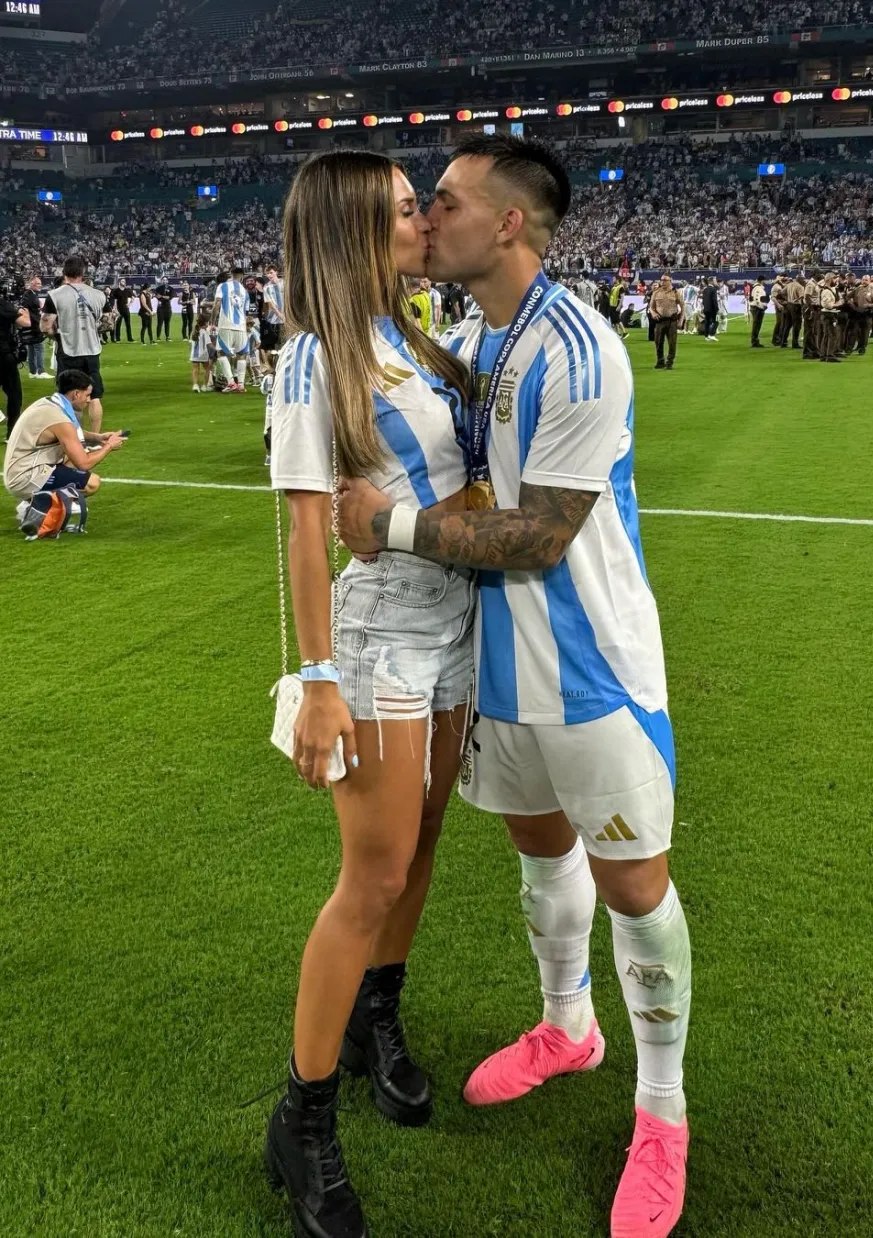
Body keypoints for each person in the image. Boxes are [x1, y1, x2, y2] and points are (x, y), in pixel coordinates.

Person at [336, 134, 692, 1238]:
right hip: (503, 671)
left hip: (593, 672)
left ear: (510, 226)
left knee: (636, 889)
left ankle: (663, 1109)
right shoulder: (490, 334)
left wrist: (385, 524)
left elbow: (538, 536)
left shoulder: (582, 351)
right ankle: (565, 1026)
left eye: (442, 202)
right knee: (542, 858)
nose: (425, 218)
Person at [263, 150, 474, 1238]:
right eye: (401, 211)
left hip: (454, 621)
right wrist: (318, 680)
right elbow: (305, 527)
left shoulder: (414, 332)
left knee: (426, 827)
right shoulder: (312, 360)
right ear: (352, 231)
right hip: (381, 632)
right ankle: (300, 1121)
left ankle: (374, 1018)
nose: (421, 221)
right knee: (372, 868)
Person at [3, 369, 125, 508]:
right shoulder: (59, 418)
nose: (89, 400)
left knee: (72, 457)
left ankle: (35, 502)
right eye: (87, 395)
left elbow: (65, 431)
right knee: (92, 483)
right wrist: (109, 446)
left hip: (20, 468)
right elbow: (84, 464)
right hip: (25, 477)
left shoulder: (49, 403)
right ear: (76, 394)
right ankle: (39, 507)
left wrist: (97, 437)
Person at [40, 256, 106, 434]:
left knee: (68, 398)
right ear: (83, 272)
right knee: (95, 396)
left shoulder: (55, 295)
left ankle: (74, 437)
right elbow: (109, 323)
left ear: (64, 272)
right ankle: (95, 437)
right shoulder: (98, 294)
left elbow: (46, 326)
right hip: (92, 350)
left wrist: (58, 338)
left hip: (68, 350)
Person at [212, 265, 251, 392]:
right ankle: (240, 384)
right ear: (242, 277)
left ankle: (230, 382)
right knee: (242, 354)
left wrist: (212, 322)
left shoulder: (222, 286)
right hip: (241, 326)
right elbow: (246, 312)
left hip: (225, 325)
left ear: (230, 274)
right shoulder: (245, 291)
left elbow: (217, 304)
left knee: (221, 352)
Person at [0, 285, 29, 440]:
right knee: (14, 394)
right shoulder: (3, 304)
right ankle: (12, 432)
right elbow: (25, 323)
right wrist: (26, 312)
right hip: (3, 355)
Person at [648, 274, 685, 370]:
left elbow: (682, 307)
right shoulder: (656, 292)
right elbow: (651, 307)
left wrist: (681, 320)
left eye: (665, 280)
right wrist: (653, 313)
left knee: (672, 343)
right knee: (658, 342)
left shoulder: (676, 292)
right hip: (659, 321)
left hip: (672, 321)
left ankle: (669, 363)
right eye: (661, 280)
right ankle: (660, 361)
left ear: (670, 281)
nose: (662, 282)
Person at [20, 274, 50, 379]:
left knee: (32, 349)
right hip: (34, 326)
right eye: (37, 283)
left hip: (31, 326)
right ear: (31, 284)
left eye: (40, 283)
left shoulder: (30, 295)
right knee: (38, 348)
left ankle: (33, 372)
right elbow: (27, 312)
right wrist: (38, 321)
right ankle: (41, 371)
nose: (40, 285)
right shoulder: (29, 295)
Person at [261, 264, 284, 365]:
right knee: (274, 345)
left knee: (285, 343)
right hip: (274, 320)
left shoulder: (284, 283)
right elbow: (270, 304)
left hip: (287, 318)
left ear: (276, 272)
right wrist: (280, 315)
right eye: (267, 273)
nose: (269, 275)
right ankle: (273, 366)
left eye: (271, 272)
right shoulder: (267, 287)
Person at [189, 309, 212, 392]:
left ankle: (195, 385)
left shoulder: (194, 331)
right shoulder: (204, 332)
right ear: (205, 323)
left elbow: (190, 343)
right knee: (207, 369)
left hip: (194, 354)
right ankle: (204, 386)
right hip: (203, 354)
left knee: (195, 369)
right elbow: (209, 344)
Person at [749, 277, 768, 347]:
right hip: (757, 308)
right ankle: (754, 341)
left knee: (756, 325)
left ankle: (755, 340)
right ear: (762, 281)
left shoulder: (756, 287)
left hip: (755, 307)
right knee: (756, 325)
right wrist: (762, 307)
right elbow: (757, 299)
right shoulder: (758, 288)